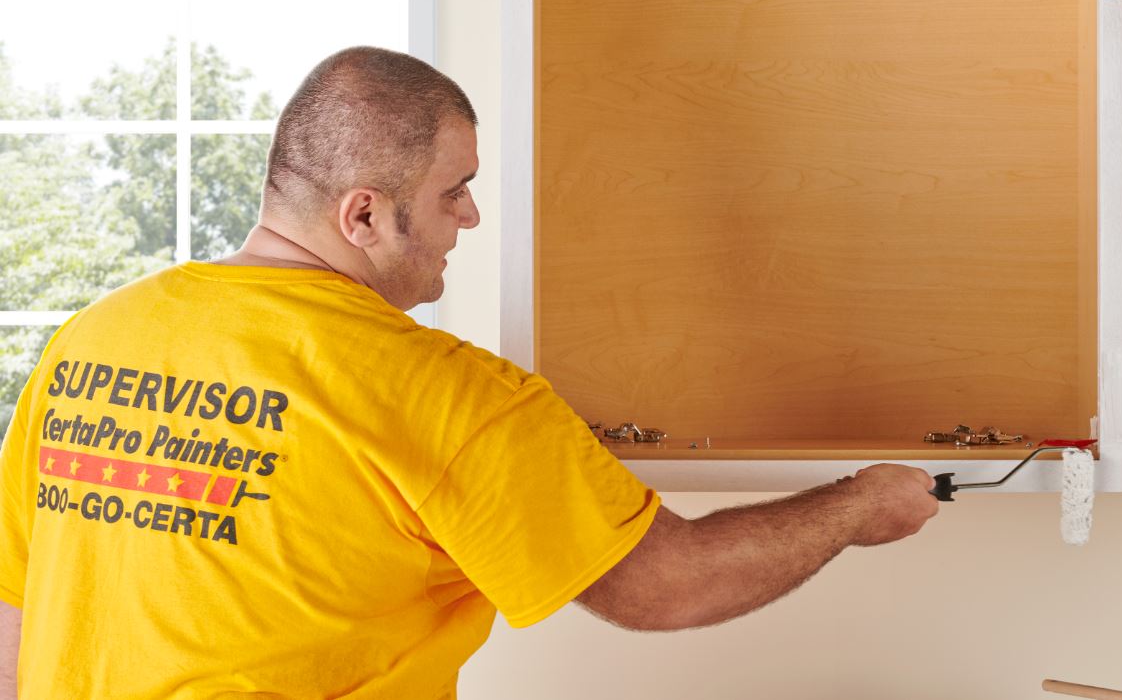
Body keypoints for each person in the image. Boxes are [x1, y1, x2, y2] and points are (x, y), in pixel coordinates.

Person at [0, 47, 939, 699]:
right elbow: (668, 584)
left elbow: (15, 605)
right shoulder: (441, 393)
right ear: (362, 216)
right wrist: (860, 507)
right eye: (454, 193)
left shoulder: (93, 339)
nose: (472, 220)